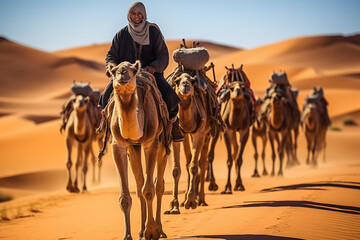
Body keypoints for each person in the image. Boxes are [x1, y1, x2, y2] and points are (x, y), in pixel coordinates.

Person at [98, 1, 184, 142]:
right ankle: (106, 127)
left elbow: (163, 55)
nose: (136, 16)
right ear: (129, 15)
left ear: (144, 15)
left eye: (139, 14)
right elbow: (111, 55)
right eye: (133, 13)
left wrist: (154, 67)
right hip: (125, 75)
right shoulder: (121, 34)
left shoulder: (153, 32)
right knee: (105, 97)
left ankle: (173, 125)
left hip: (151, 74)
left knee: (170, 95)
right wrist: (111, 67)